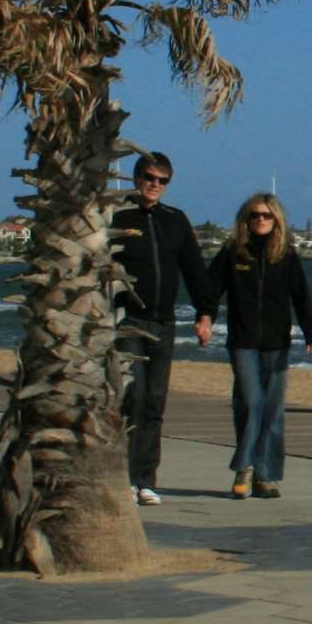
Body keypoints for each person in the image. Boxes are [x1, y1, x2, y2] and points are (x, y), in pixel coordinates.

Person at [201, 193, 312, 499]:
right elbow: (210, 290)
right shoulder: (233, 253)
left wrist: (311, 333)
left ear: (277, 219)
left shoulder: (287, 255)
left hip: (277, 342)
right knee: (252, 403)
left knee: (272, 409)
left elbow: (301, 296)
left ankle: (265, 475)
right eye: (255, 215)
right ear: (246, 219)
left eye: (267, 215)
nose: (261, 220)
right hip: (242, 341)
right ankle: (245, 467)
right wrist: (205, 318)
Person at [113, 153, 213, 505]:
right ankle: (123, 476)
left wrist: (205, 314)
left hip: (163, 322)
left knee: (155, 402)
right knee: (133, 397)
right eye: (148, 177)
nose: (155, 184)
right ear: (135, 177)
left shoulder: (175, 219)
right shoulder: (118, 214)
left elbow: (194, 270)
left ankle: (146, 480)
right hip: (127, 322)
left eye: (162, 179)